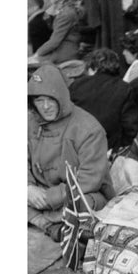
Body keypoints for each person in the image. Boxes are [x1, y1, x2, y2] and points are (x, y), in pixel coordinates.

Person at [28, 64, 114, 240]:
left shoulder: (88, 128)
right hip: (39, 191)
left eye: (51, 99)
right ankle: (50, 225)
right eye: (39, 100)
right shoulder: (30, 122)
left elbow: (90, 179)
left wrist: (51, 197)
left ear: (62, 97)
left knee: (85, 205)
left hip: (77, 194)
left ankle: (42, 220)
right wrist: (27, 188)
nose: (45, 107)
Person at [69, 48, 138, 152]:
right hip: (110, 148)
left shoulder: (77, 85)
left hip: (80, 145)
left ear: (93, 66)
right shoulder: (124, 88)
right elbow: (131, 126)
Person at [29, 0, 80, 64]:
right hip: (61, 51)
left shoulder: (65, 14)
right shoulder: (65, 11)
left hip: (64, 54)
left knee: (29, 62)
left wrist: (37, 54)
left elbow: (54, 41)